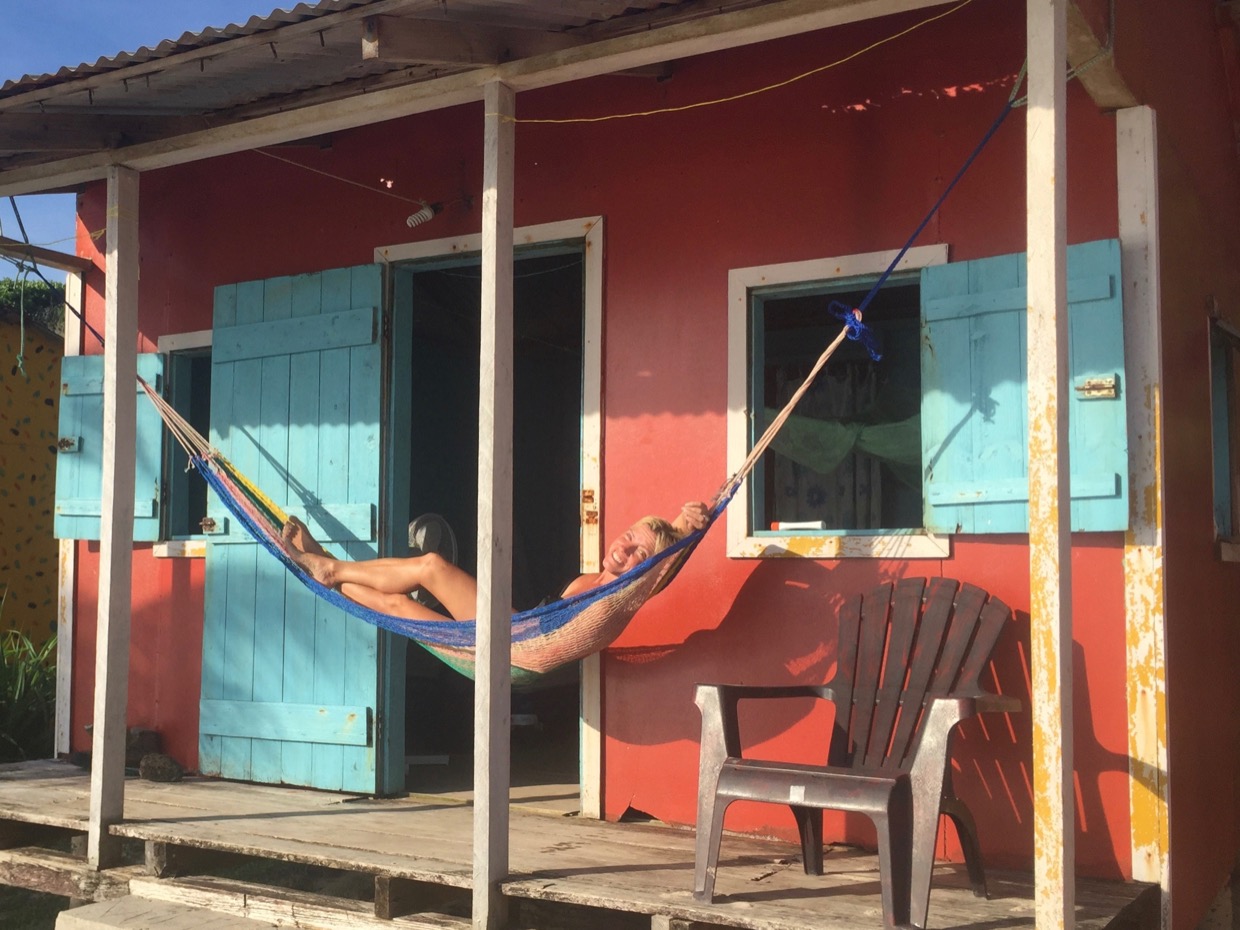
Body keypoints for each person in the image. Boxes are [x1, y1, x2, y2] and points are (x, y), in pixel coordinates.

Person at [280, 501, 710, 623]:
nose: (627, 548)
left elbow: (655, 575)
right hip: (514, 635)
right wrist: (667, 531)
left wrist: (681, 530)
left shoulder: (619, 593)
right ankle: (325, 567)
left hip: (514, 636)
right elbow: (651, 559)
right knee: (398, 605)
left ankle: (328, 566)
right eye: (632, 537)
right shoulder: (598, 578)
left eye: (638, 554)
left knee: (431, 566)